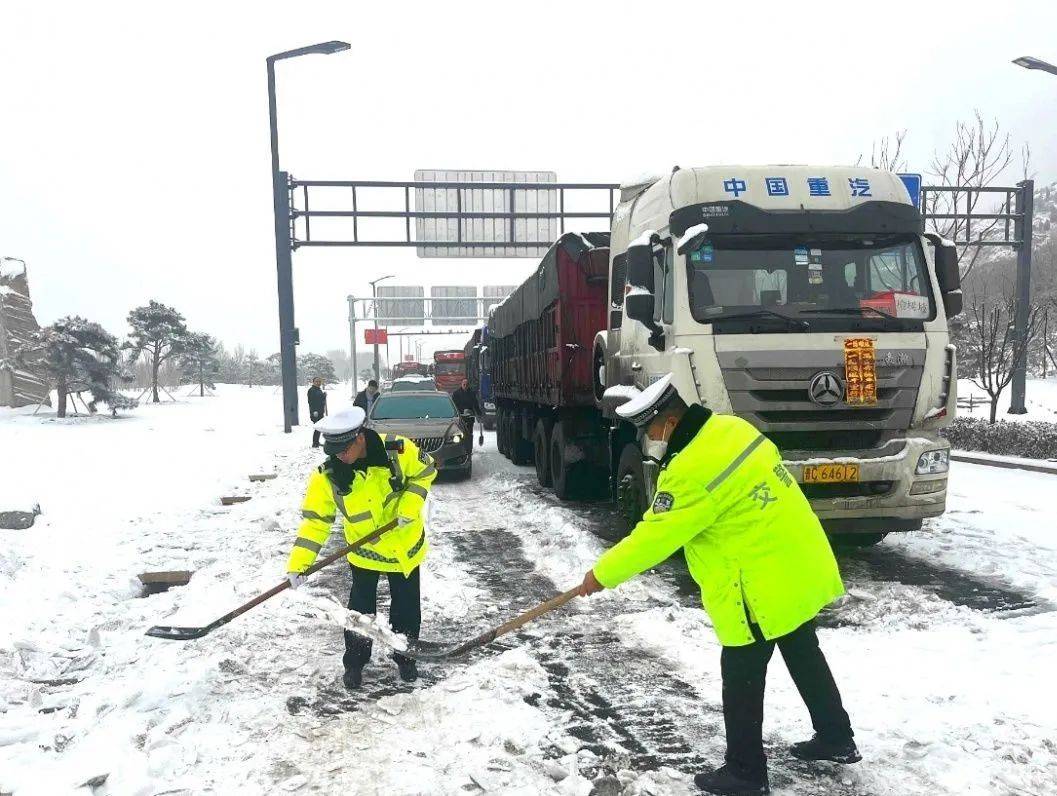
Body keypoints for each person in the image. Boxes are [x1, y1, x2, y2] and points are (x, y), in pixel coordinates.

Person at [578, 374, 857, 795]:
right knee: (801, 647)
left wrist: (601, 575)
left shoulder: (690, 472)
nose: (649, 439)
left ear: (667, 424)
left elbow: (653, 538)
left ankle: (745, 772)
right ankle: (836, 736)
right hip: (799, 561)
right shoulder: (732, 428)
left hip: (759, 581)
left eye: (649, 430)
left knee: (742, 669)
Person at [286, 407, 437, 689]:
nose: (339, 457)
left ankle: (406, 658)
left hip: (404, 548)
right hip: (364, 552)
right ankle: (355, 663)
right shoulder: (328, 476)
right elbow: (315, 523)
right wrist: (299, 564)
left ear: (359, 438)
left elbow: (427, 469)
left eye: (344, 449)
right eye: (333, 451)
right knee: (359, 612)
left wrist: (410, 504)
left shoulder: (398, 451)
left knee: (406, 610)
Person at [451, 378, 482, 448]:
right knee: (460, 433)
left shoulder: (472, 393)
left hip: (469, 417)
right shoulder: (456, 394)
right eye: (464, 384)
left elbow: (475, 404)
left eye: (467, 385)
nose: (465, 386)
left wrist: (479, 413)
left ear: (469, 385)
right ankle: (460, 447)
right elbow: (454, 405)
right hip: (460, 417)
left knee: (469, 433)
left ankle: (469, 447)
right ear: (461, 384)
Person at [307, 377, 328, 448]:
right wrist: (314, 411)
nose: (318, 383)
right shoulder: (311, 390)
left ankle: (316, 442)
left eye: (319, 381)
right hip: (315, 412)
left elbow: (320, 399)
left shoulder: (318, 390)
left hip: (320, 411)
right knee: (317, 427)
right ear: (313, 382)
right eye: (316, 381)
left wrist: (324, 396)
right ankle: (315, 443)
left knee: (319, 427)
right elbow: (311, 402)